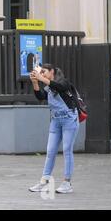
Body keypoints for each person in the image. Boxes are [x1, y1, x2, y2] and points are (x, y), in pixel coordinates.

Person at [28, 64, 80, 194]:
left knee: (67, 150)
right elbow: (40, 97)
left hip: (69, 119)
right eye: (41, 72)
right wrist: (35, 82)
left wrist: (41, 78)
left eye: (44, 72)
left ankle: (67, 183)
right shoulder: (48, 87)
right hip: (56, 121)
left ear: (52, 72)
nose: (43, 74)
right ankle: (44, 182)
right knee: (50, 151)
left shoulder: (64, 82)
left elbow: (59, 87)